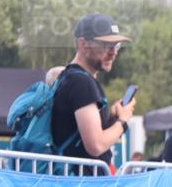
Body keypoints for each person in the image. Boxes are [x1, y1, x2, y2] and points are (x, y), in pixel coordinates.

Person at [50, 13, 135, 174]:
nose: (113, 52)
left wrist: (111, 116)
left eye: (116, 45)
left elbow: (75, 131)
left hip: (72, 184)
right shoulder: (82, 83)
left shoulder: (69, 77)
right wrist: (123, 121)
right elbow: (95, 145)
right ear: (83, 45)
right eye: (105, 45)